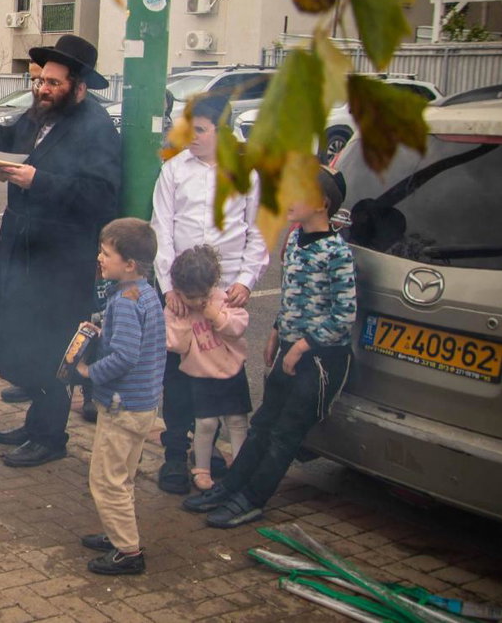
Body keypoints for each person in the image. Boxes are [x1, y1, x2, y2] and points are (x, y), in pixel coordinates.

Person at [0, 34, 121, 469]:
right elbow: (2, 132)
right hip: (20, 249)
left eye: (52, 82)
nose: (42, 89)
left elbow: (104, 196)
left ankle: (51, 436)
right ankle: (37, 422)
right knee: (11, 337)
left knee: (51, 346)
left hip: (60, 260)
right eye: (41, 81)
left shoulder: (97, 129)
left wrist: (40, 181)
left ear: (79, 87)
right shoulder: (42, 115)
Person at [183, 168, 355, 529]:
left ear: (322, 203)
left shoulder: (336, 253)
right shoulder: (294, 240)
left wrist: (303, 346)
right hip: (291, 348)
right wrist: (277, 331)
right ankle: (230, 486)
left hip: (320, 360)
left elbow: (344, 314)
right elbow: (292, 295)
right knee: (263, 424)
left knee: (284, 434)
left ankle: (252, 498)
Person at [150, 94, 268, 494]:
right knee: (178, 376)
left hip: (223, 295)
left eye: (200, 130)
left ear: (222, 130)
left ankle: (215, 454)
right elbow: (161, 231)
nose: (191, 137)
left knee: (222, 376)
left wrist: (246, 281)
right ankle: (174, 456)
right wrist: (169, 288)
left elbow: (257, 233)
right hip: (181, 294)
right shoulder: (174, 171)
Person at [76, 218, 164, 577]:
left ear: (129, 264)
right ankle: (119, 534)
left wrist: (88, 372)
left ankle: (128, 551)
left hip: (121, 406)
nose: (100, 257)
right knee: (123, 476)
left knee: (105, 480)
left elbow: (125, 356)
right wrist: (104, 331)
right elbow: (136, 345)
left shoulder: (125, 302)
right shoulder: (144, 292)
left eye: (107, 253)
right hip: (142, 405)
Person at [163, 245, 250, 492]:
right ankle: (201, 469)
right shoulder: (175, 309)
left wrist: (216, 315)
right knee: (206, 423)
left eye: (203, 295)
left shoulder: (221, 299)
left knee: (237, 420)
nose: (198, 302)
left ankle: (241, 468)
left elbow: (239, 327)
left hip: (231, 369)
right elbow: (176, 345)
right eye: (190, 297)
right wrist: (180, 320)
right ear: (178, 291)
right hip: (200, 375)